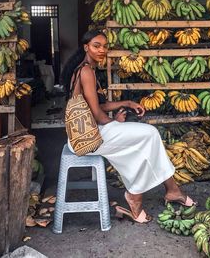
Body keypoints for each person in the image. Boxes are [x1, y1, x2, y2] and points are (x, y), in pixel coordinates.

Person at [62, 30, 197, 224]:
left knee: (148, 139)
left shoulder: (86, 69)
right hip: (87, 138)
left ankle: (170, 190)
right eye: (96, 46)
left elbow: (97, 106)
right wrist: (115, 123)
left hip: (87, 133)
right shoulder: (85, 71)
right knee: (150, 134)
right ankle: (138, 195)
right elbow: (98, 115)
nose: (102, 50)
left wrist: (126, 103)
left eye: (105, 46)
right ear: (86, 47)